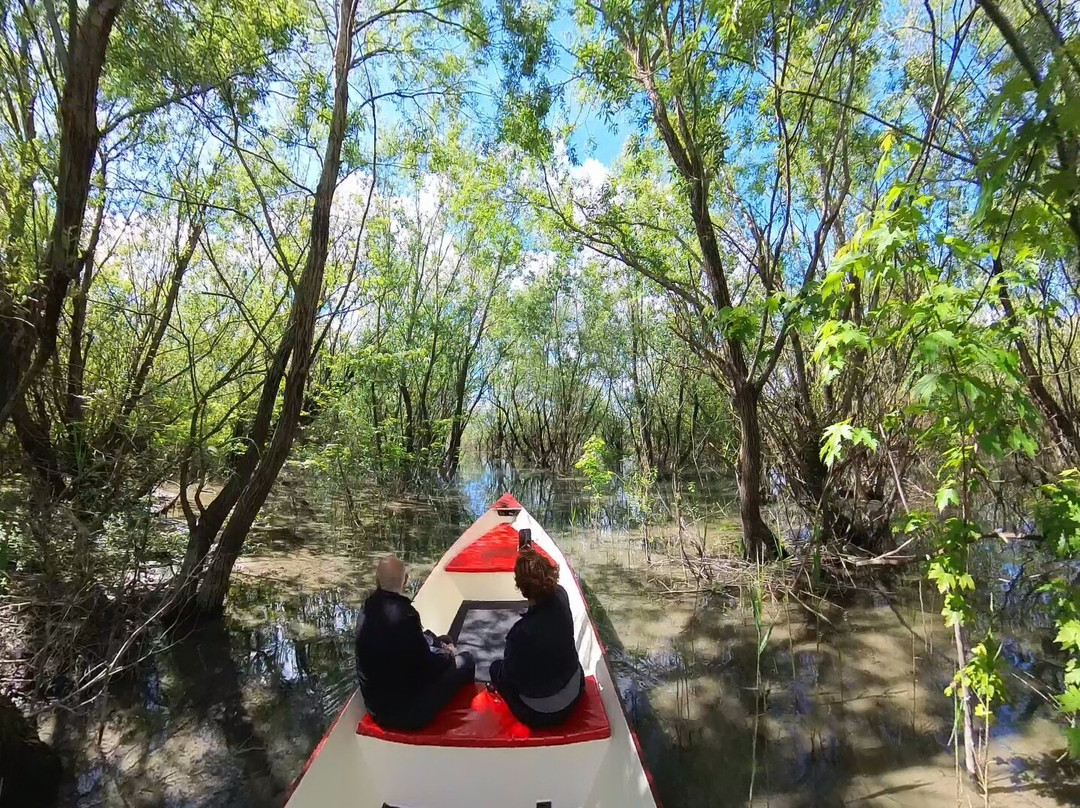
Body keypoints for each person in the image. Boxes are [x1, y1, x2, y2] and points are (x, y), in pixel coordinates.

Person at [355, 555, 475, 730]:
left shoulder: (367, 608)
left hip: (376, 709)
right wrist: (448, 655)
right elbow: (428, 668)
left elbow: (411, 650)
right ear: (405, 581)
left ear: (377, 581)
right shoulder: (406, 615)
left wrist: (440, 645)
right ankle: (466, 721)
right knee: (466, 660)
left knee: (443, 639)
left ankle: (446, 649)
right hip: (408, 714)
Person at [489, 547, 585, 728]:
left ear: (523, 589)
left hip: (543, 715)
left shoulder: (520, 635)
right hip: (576, 690)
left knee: (496, 669)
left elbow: (511, 677)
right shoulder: (562, 595)